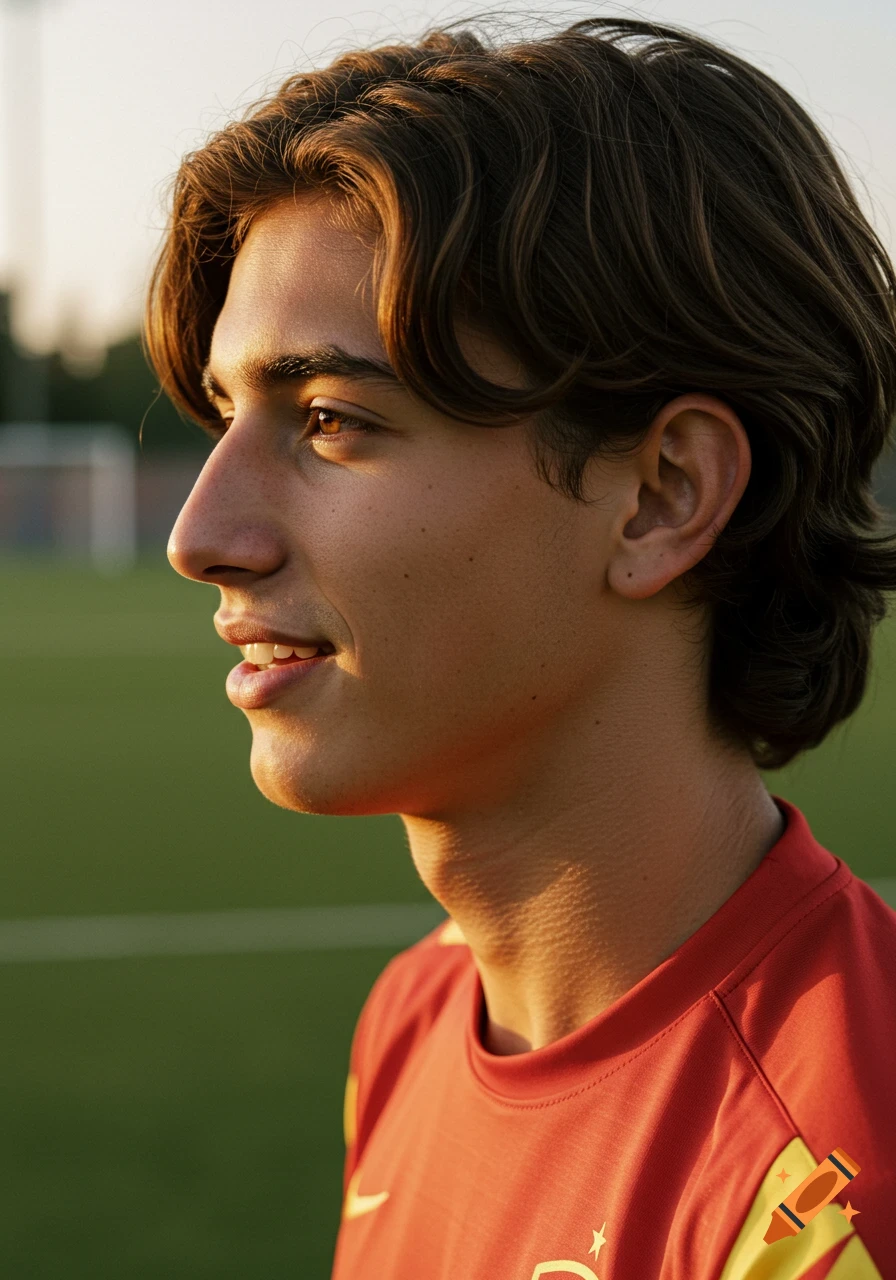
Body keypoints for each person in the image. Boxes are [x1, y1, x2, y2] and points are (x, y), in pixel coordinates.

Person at [152, 15, 896, 1278]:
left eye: (330, 419)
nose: (200, 534)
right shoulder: (416, 1014)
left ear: (662, 494)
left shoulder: (826, 1188)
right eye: (226, 413)